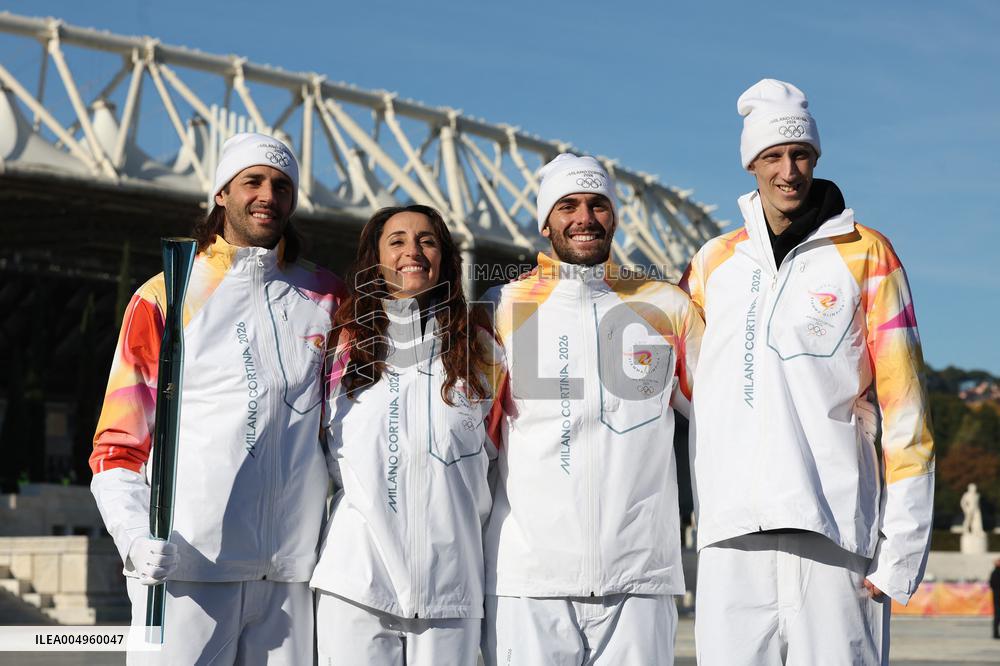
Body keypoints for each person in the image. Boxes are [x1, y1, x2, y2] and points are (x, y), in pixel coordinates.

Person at [681, 79, 934, 664]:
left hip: (834, 534)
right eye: (772, 156)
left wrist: (902, 549)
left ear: (816, 158)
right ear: (751, 164)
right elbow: (678, 383)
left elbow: (907, 410)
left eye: (800, 155)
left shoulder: (868, 253)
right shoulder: (713, 262)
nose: (788, 171)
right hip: (731, 536)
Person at [90, 132, 347, 664]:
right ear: (221, 194)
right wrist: (135, 538)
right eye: (252, 180)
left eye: (281, 185)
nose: (268, 195)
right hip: (189, 567)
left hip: (290, 576)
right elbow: (118, 445)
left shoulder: (326, 296)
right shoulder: (165, 295)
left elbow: (348, 431)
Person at [482, 153, 704, 665]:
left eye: (598, 204)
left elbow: (726, 414)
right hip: (528, 578)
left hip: (640, 577)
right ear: (545, 222)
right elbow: (473, 441)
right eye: (568, 205)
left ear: (615, 216)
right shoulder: (501, 307)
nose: (584, 218)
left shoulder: (665, 306)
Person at [310, 204, 503, 664]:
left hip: (451, 594)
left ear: (445, 258)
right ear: (374, 260)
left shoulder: (482, 353)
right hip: (356, 584)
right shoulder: (340, 344)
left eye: (427, 240)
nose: (412, 251)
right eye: (396, 241)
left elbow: (501, 465)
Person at [990, 558, 1000, 639]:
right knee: (997, 616)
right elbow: (992, 584)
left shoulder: (994, 572)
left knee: (997, 616)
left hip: (996, 597)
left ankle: (996, 634)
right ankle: (995, 634)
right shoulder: (995, 573)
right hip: (997, 598)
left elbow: (991, 585)